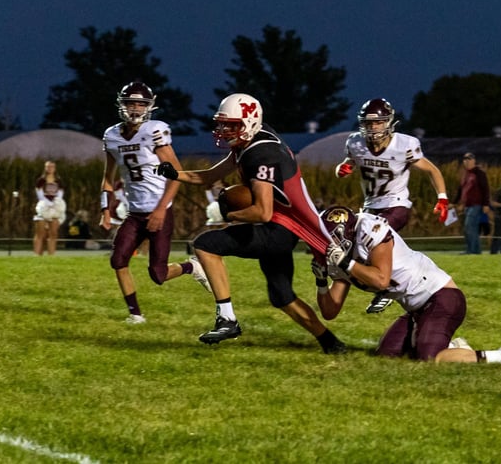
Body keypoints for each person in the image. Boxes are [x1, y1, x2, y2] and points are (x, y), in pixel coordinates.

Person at [156, 93, 346, 354]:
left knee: (205, 244)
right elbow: (209, 176)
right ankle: (331, 343)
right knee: (283, 297)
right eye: (222, 124)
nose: (223, 130)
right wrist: (175, 174)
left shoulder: (261, 154)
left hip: (276, 229)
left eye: (231, 125)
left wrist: (230, 217)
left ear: (249, 123)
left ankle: (227, 319)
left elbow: (262, 211)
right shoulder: (252, 142)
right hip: (282, 228)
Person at [313, 205, 501, 366]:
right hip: (416, 310)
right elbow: (330, 312)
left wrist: (346, 262)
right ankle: (452, 347)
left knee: (431, 359)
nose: (328, 244)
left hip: (442, 297)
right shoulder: (339, 257)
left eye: (332, 239)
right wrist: (321, 282)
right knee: (386, 355)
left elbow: (380, 279)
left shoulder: (371, 232)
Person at [99, 81, 210, 324]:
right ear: (121, 104)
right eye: (131, 103)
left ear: (150, 107)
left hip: (158, 210)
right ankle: (135, 314)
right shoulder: (112, 135)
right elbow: (108, 179)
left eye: (141, 103)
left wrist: (161, 209)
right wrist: (105, 210)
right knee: (118, 260)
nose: (136, 108)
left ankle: (191, 267)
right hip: (135, 213)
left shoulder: (154, 131)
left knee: (158, 275)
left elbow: (177, 174)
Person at [333, 98, 449, 313]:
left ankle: (387, 289)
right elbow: (347, 164)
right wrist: (342, 169)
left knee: (375, 243)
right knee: (363, 252)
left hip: (396, 205)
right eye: (368, 123)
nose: (373, 127)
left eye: (378, 123)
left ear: (388, 122)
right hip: (369, 208)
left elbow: (432, 169)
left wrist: (442, 197)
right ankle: (382, 287)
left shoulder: (405, 145)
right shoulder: (355, 143)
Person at [452, 152, 490, 254]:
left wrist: (486, 204)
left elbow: (485, 189)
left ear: (474, 160)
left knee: (469, 227)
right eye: (465, 159)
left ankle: (471, 250)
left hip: (476, 205)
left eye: (469, 159)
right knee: (471, 228)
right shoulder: (465, 174)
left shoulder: (479, 173)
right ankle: (476, 251)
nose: (467, 161)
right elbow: (461, 190)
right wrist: (454, 203)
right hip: (467, 206)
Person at [32, 160, 66, 255]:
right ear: (45, 168)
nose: (50, 169)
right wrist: (47, 203)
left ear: (55, 168)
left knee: (53, 233)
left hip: (55, 208)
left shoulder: (59, 181)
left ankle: (51, 255)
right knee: (40, 233)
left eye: (52, 167)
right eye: (48, 167)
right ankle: (37, 255)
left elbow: (60, 194)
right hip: (43, 208)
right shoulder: (40, 181)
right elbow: (39, 194)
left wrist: (55, 203)